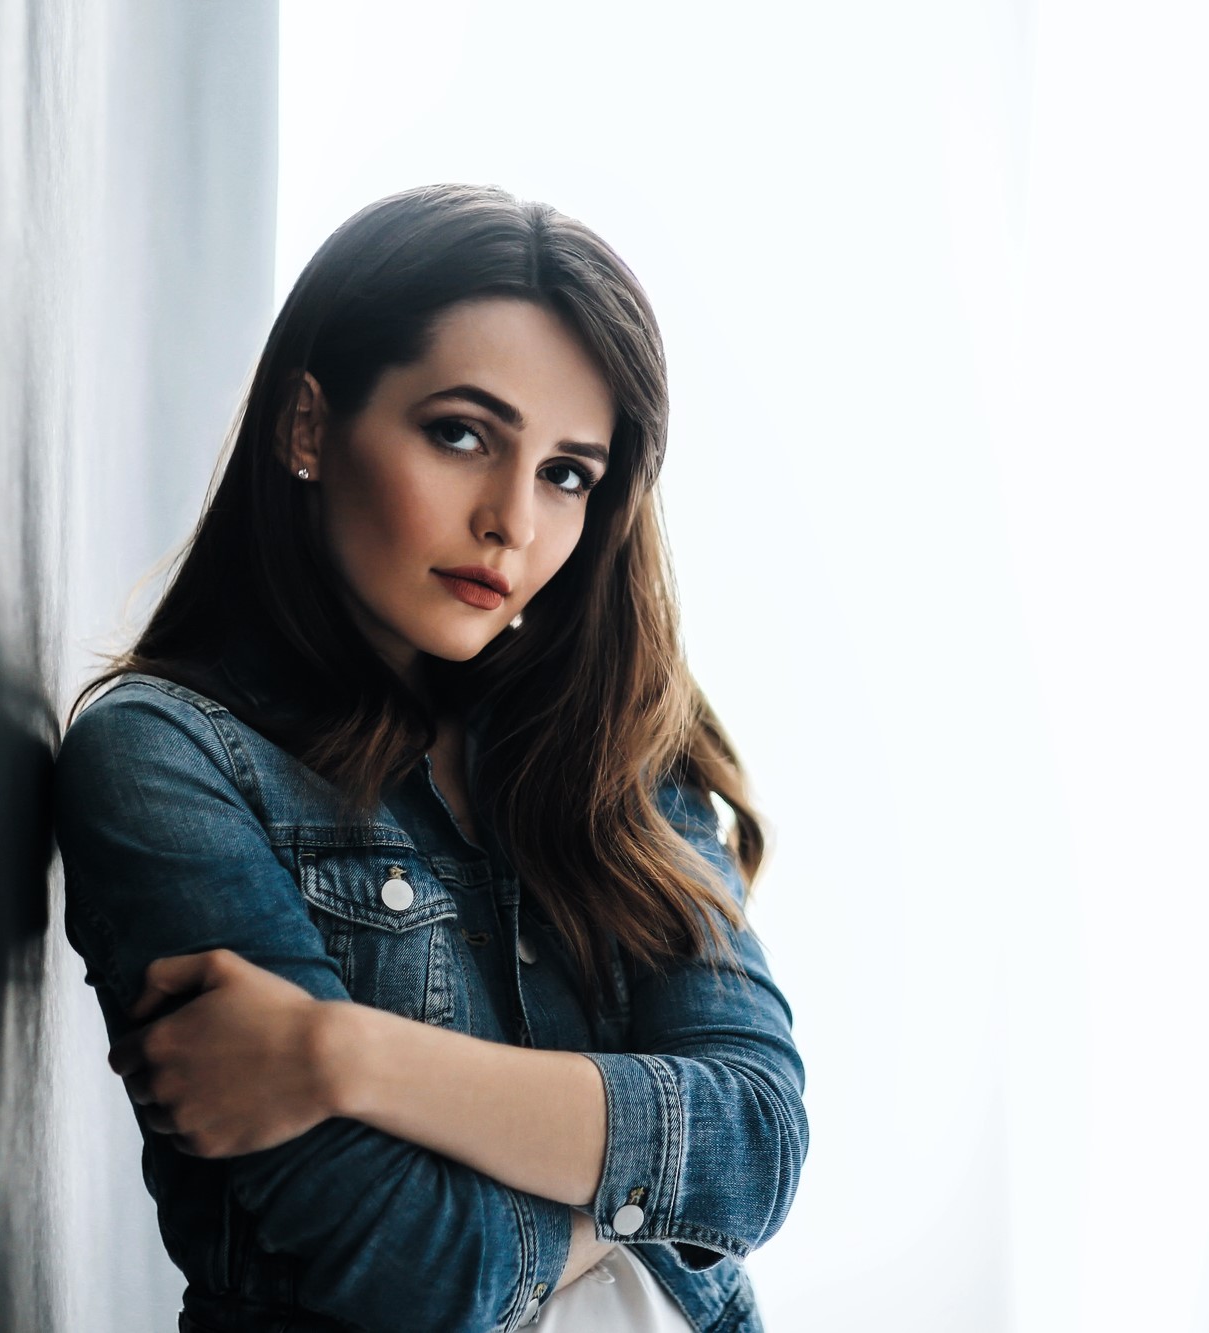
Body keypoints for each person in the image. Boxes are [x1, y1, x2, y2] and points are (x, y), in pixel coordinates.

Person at [51, 183, 807, 1333]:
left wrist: (342, 1050)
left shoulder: (610, 741)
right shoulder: (166, 759)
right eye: (460, 434)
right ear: (308, 427)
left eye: (567, 473)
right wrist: (640, 1191)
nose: (513, 519)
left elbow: (757, 1146)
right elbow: (420, 1268)